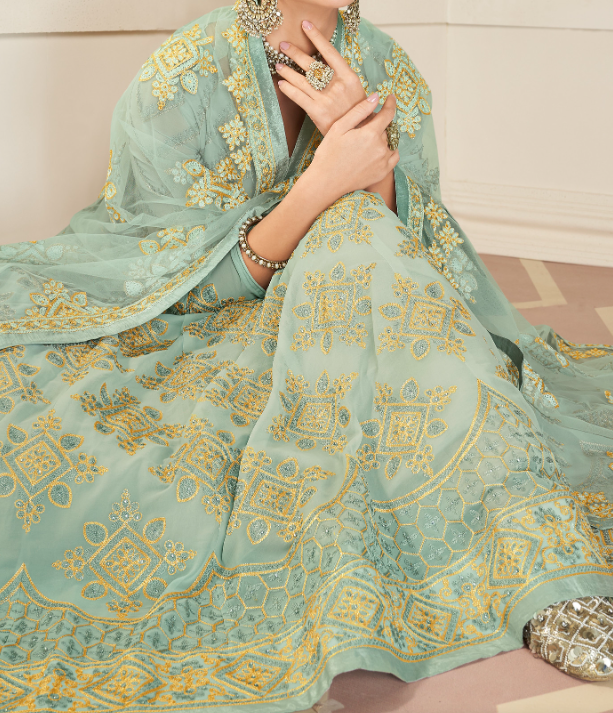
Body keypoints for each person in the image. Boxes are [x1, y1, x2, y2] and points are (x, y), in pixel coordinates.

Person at [0, 1, 612, 711]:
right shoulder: (182, 76)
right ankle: (535, 579)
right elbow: (172, 286)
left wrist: (370, 170)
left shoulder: (386, 67)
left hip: (366, 304)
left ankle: (538, 559)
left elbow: (422, 257)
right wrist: (324, 181)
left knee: (359, 229)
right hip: (219, 329)